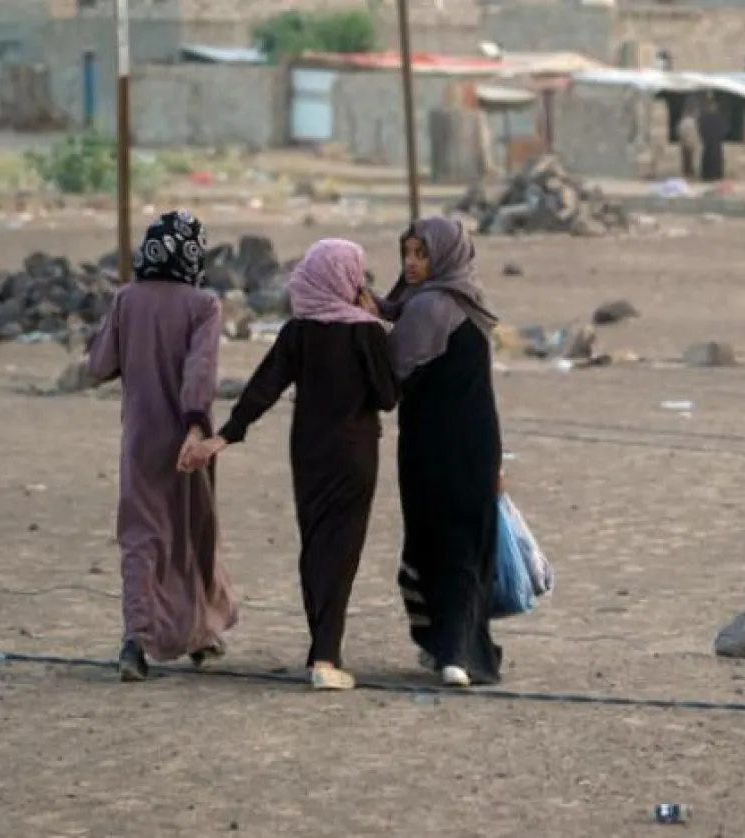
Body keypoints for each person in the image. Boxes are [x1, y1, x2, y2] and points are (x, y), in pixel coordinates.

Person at [180, 239, 399, 691]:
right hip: (354, 454)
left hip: (308, 454)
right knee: (342, 550)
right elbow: (388, 396)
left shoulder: (298, 331)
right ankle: (325, 656)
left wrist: (227, 435)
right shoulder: (366, 331)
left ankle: (321, 649)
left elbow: (263, 388)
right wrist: (378, 326)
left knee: (316, 546)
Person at [84, 209, 239, 682]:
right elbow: (201, 370)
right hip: (185, 442)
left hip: (139, 442)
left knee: (141, 539)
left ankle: (138, 640)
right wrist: (195, 427)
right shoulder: (203, 304)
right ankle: (201, 632)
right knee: (192, 533)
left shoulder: (126, 298)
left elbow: (99, 364)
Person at [374, 217, 504, 687]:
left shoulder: (428, 308)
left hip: (433, 447)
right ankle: (463, 648)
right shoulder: (469, 299)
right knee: (467, 544)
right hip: (478, 443)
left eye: (421, 254)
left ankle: (450, 650)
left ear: (442, 256)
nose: (411, 263)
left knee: (438, 542)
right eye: (407, 253)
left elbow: (391, 376)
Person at [698, 96, 728, 182]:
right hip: (710, 142)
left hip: (714, 142)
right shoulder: (705, 118)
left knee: (716, 159)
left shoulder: (717, 118)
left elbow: (725, 128)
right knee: (710, 158)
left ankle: (714, 175)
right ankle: (709, 175)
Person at [677, 102, 700, 180]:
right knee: (688, 161)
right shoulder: (689, 122)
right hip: (688, 143)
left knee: (687, 160)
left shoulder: (684, 121)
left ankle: (687, 175)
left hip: (686, 143)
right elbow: (689, 133)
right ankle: (689, 176)